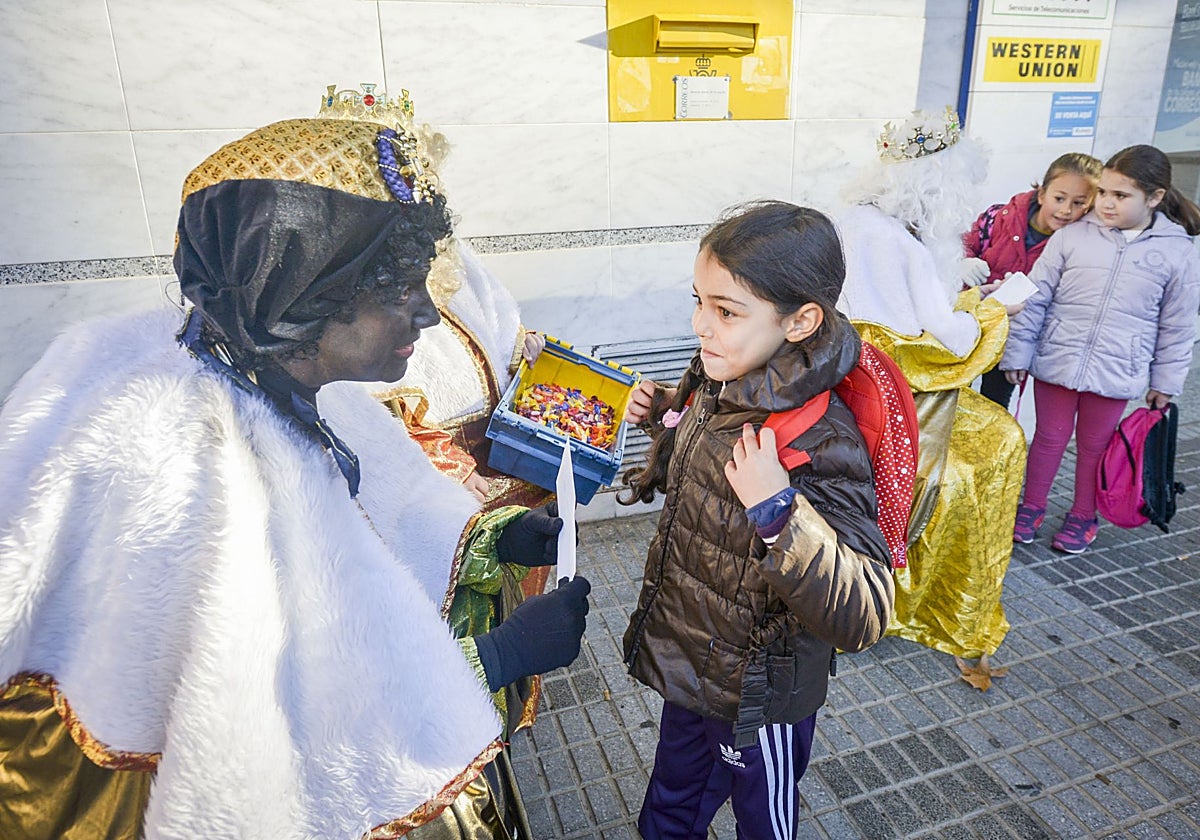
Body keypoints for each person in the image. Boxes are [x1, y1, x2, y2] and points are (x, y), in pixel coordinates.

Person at [0, 116, 592, 839]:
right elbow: (269, 733)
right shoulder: (183, 475)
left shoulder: (261, 362)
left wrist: (494, 538)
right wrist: (496, 656)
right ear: (307, 289)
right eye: (398, 288)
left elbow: (378, 512)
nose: (429, 312)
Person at [618, 201, 895, 840]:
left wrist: (780, 513)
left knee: (761, 819)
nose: (700, 327)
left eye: (726, 311)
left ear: (801, 320)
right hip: (692, 659)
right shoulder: (720, 380)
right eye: (699, 302)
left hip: (757, 695)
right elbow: (699, 475)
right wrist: (666, 413)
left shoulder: (822, 440)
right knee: (672, 798)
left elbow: (867, 609)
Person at [317, 84, 555, 601]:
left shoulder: (453, 257)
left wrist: (525, 350)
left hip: (516, 479)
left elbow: (499, 324)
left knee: (522, 616)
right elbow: (349, 412)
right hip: (439, 502)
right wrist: (438, 465)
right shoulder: (332, 300)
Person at [835, 107, 1026, 675]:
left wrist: (960, 280)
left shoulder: (853, 219)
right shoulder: (906, 245)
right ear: (939, 184)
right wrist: (997, 307)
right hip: (898, 403)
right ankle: (922, 603)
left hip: (847, 387)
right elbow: (943, 347)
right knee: (999, 444)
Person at [1001, 144, 1200, 554]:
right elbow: (1035, 297)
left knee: (1095, 446)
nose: (1106, 203)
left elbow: (1178, 325)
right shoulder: (1072, 237)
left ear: (1155, 197)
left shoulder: (1177, 251)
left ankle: (1082, 515)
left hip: (1116, 371)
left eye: (1121, 196)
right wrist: (1018, 353)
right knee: (1048, 440)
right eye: (1105, 192)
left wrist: (1166, 381)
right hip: (1058, 358)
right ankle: (1031, 507)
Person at [963, 152, 1102, 408]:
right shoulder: (997, 218)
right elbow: (964, 245)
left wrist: (1023, 354)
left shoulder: (1079, 245)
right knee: (956, 401)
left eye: (1080, 203)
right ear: (1042, 193)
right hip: (968, 329)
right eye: (1059, 198)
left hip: (1011, 343)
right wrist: (963, 263)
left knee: (994, 409)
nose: (1066, 210)